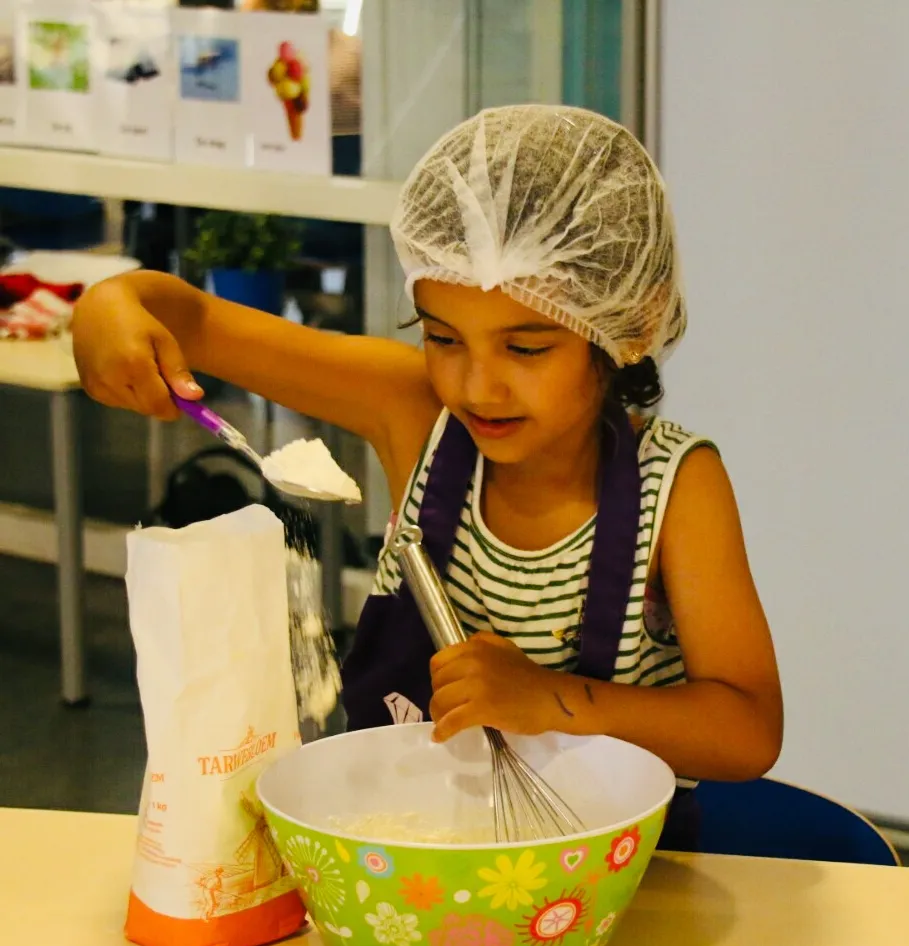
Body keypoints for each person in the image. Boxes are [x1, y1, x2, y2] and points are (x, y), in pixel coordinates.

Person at [71, 105, 783, 851]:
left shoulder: (673, 487)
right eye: (443, 338)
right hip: (402, 863)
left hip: (608, 890)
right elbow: (191, 321)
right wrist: (109, 306)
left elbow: (746, 729)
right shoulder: (411, 409)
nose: (476, 387)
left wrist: (547, 700)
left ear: (629, 325)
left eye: (527, 348)